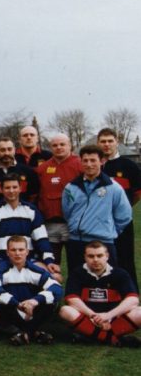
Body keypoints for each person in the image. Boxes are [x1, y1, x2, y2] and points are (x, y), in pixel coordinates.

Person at [62, 145, 132, 271]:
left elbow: (124, 216)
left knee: (106, 284)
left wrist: (106, 230)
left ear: (102, 161)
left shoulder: (113, 188)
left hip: (103, 244)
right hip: (76, 243)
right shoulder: (70, 188)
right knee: (77, 283)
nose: (89, 164)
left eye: (93, 160)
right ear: (81, 162)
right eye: (85, 160)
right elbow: (67, 212)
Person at [59, 241, 140, 347]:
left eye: (99, 255)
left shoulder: (120, 273)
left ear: (107, 256)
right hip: (88, 318)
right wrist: (93, 315)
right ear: (85, 257)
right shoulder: (77, 273)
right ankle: (111, 338)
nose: (95, 260)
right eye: (91, 256)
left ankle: (92, 337)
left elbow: (133, 300)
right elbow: (71, 299)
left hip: (114, 318)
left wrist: (108, 315)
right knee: (65, 311)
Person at [0, 236, 63, 345]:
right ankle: (35, 333)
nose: (17, 253)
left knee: (52, 302)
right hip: (12, 309)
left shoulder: (36, 270)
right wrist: (17, 304)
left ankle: (23, 334)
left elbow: (57, 288)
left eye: (21, 250)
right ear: (7, 252)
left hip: (31, 309)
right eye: (13, 250)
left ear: (27, 252)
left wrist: (34, 301)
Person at [0, 174, 59, 280]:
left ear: (20, 188)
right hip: (2, 259)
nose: (11, 191)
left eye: (14, 187)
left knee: (56, 277)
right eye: (7, 187)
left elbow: (42, 239)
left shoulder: (31, 210)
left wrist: (49, 261)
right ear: (1, 189)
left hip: (28, 259)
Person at [97, 127, 140, 285]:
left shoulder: (129, 166)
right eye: (103, 141)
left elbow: (137, 194)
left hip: (122, 222)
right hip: (99, 222)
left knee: (125, 258)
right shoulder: (93, 166)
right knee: (100, 258)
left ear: (117, 142)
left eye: (110, 141)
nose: (106, 145)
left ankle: (130, 297)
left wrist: (124, 209)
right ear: (98, 143)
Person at [35, 133, 82, 264]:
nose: (59, 147)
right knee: (51, 264)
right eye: (55, 145)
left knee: (76, 263)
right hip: (50, 224)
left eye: (62, 144)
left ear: (70, 145)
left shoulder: (80, 165)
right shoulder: (43, 169)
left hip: (73, 225)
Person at [0, 136, 40, 208]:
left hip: (23, 216)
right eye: (2, 150)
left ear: (14, 150)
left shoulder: (27, 171)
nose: (6, 153)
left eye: (9, 149)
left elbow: (33, 197)